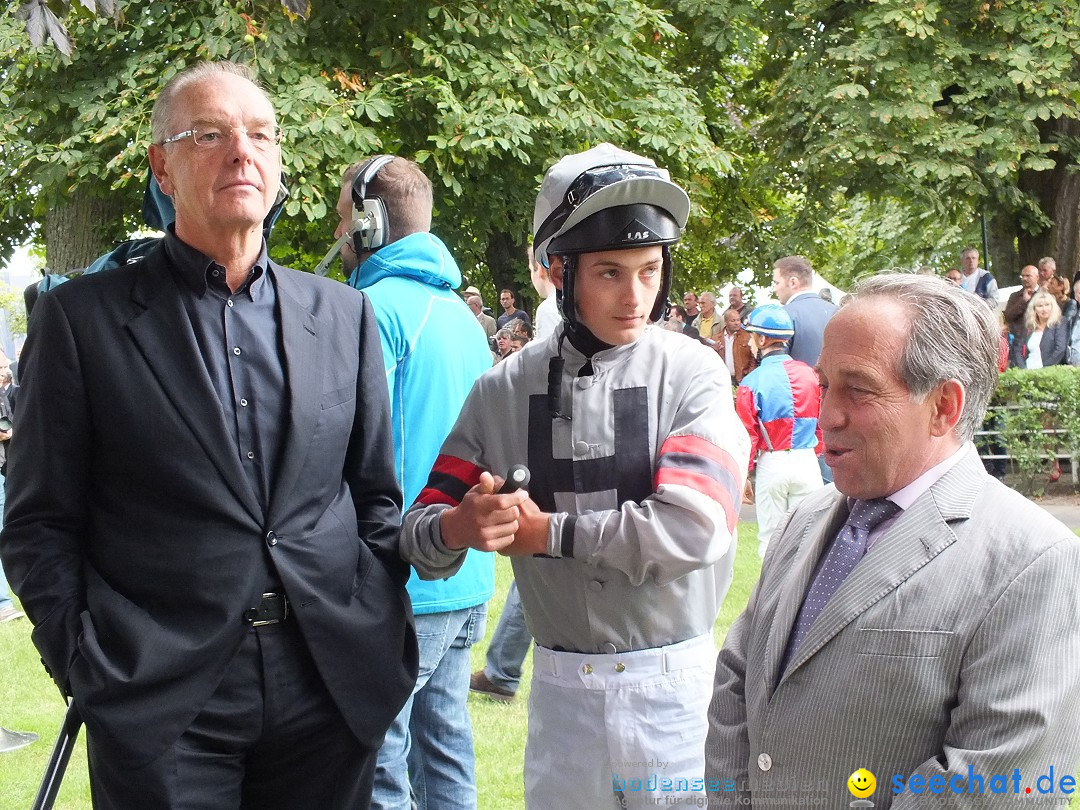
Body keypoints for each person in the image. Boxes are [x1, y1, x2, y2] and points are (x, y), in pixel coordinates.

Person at [0, 62, 415, 810]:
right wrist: (87, 663)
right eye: (210, 135)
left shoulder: (344, 316)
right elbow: (37, 524)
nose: (241, 152)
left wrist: (377, 621)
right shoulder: (80, 322)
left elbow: (375, 498)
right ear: (163, 162)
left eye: (259, 134)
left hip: (327, 681)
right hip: (162, 699)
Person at [400, 143, 749, 809]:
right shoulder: (500, 390)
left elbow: (693, 528)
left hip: (675, 693)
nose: (635, 296)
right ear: (560, 271)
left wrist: (549, 536)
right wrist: (457, 525)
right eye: (611, 272)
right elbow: (417, 533)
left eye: (650, 271)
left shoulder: (695, 374)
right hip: (560, 699)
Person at [706, 274, 1080, 808]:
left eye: (857, 390)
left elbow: (995, 786)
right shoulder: (805, 519)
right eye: (826, 384)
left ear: (944, 407)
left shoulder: (1033, 561)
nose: (826, 414)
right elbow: (739, 681)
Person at [334, 156, 494, 810]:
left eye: (342, 217)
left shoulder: (372, 308)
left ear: (369, 224)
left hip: (401, 580)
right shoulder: (461, 315)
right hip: (462, 576)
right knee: (444, 742)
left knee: (379, 758)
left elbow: (336, 438)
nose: (336, 231)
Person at [734, 304, 823, 558]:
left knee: (770, 539)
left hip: (772, 463)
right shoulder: (812, 375)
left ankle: (770, 598)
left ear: (762, 339)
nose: (750, 343)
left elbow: (747, 435)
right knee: (809, 539)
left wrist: (745, 474)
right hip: (807, 460)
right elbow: (824, 424)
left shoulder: (751, 381)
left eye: (752, 337)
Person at [771, 255, 837, 367]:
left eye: (777, 283)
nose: (775, 288)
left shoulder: (781, 316)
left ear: (793, 282)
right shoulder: (838, 312)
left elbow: (776, 368)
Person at [1008, 289, 1067, 369]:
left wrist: (1044, 370)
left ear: (1052, 306)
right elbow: (1017, 348)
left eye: (1047, 305)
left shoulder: (1060, 323)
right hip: (1028, 370)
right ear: (1034, 309)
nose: (1044, 309)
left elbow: (1060, 349)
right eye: (1040, 306)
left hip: (1050, 371)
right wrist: (1023, 369)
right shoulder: (1028, 326)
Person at [713, 308, 756, 384]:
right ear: (725, 322)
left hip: (742, 379)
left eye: (738, 320)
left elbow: (753, 358)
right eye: (733, 321)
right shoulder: (716, 339)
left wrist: (749, 375)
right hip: (722, 379)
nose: (737, 323)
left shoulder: (747, 337)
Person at [1002, 264, 1039, 338]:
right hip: (1019, 338)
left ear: (1037, 277)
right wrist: (1023, 301)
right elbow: (1008, 317)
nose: (1024, 279)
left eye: (1028, 276)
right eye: (1022, 276)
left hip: (1039, 336)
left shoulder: (1044, 295)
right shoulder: (1015, 296)